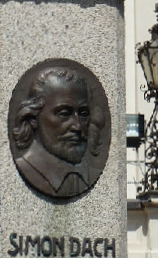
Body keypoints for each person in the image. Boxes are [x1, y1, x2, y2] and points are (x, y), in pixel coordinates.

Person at [12, 67, 105, 198]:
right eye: (64, 114)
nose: (77, 126)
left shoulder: (90, 173)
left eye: (84, 114)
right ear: (33, 118)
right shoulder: (26, 168)